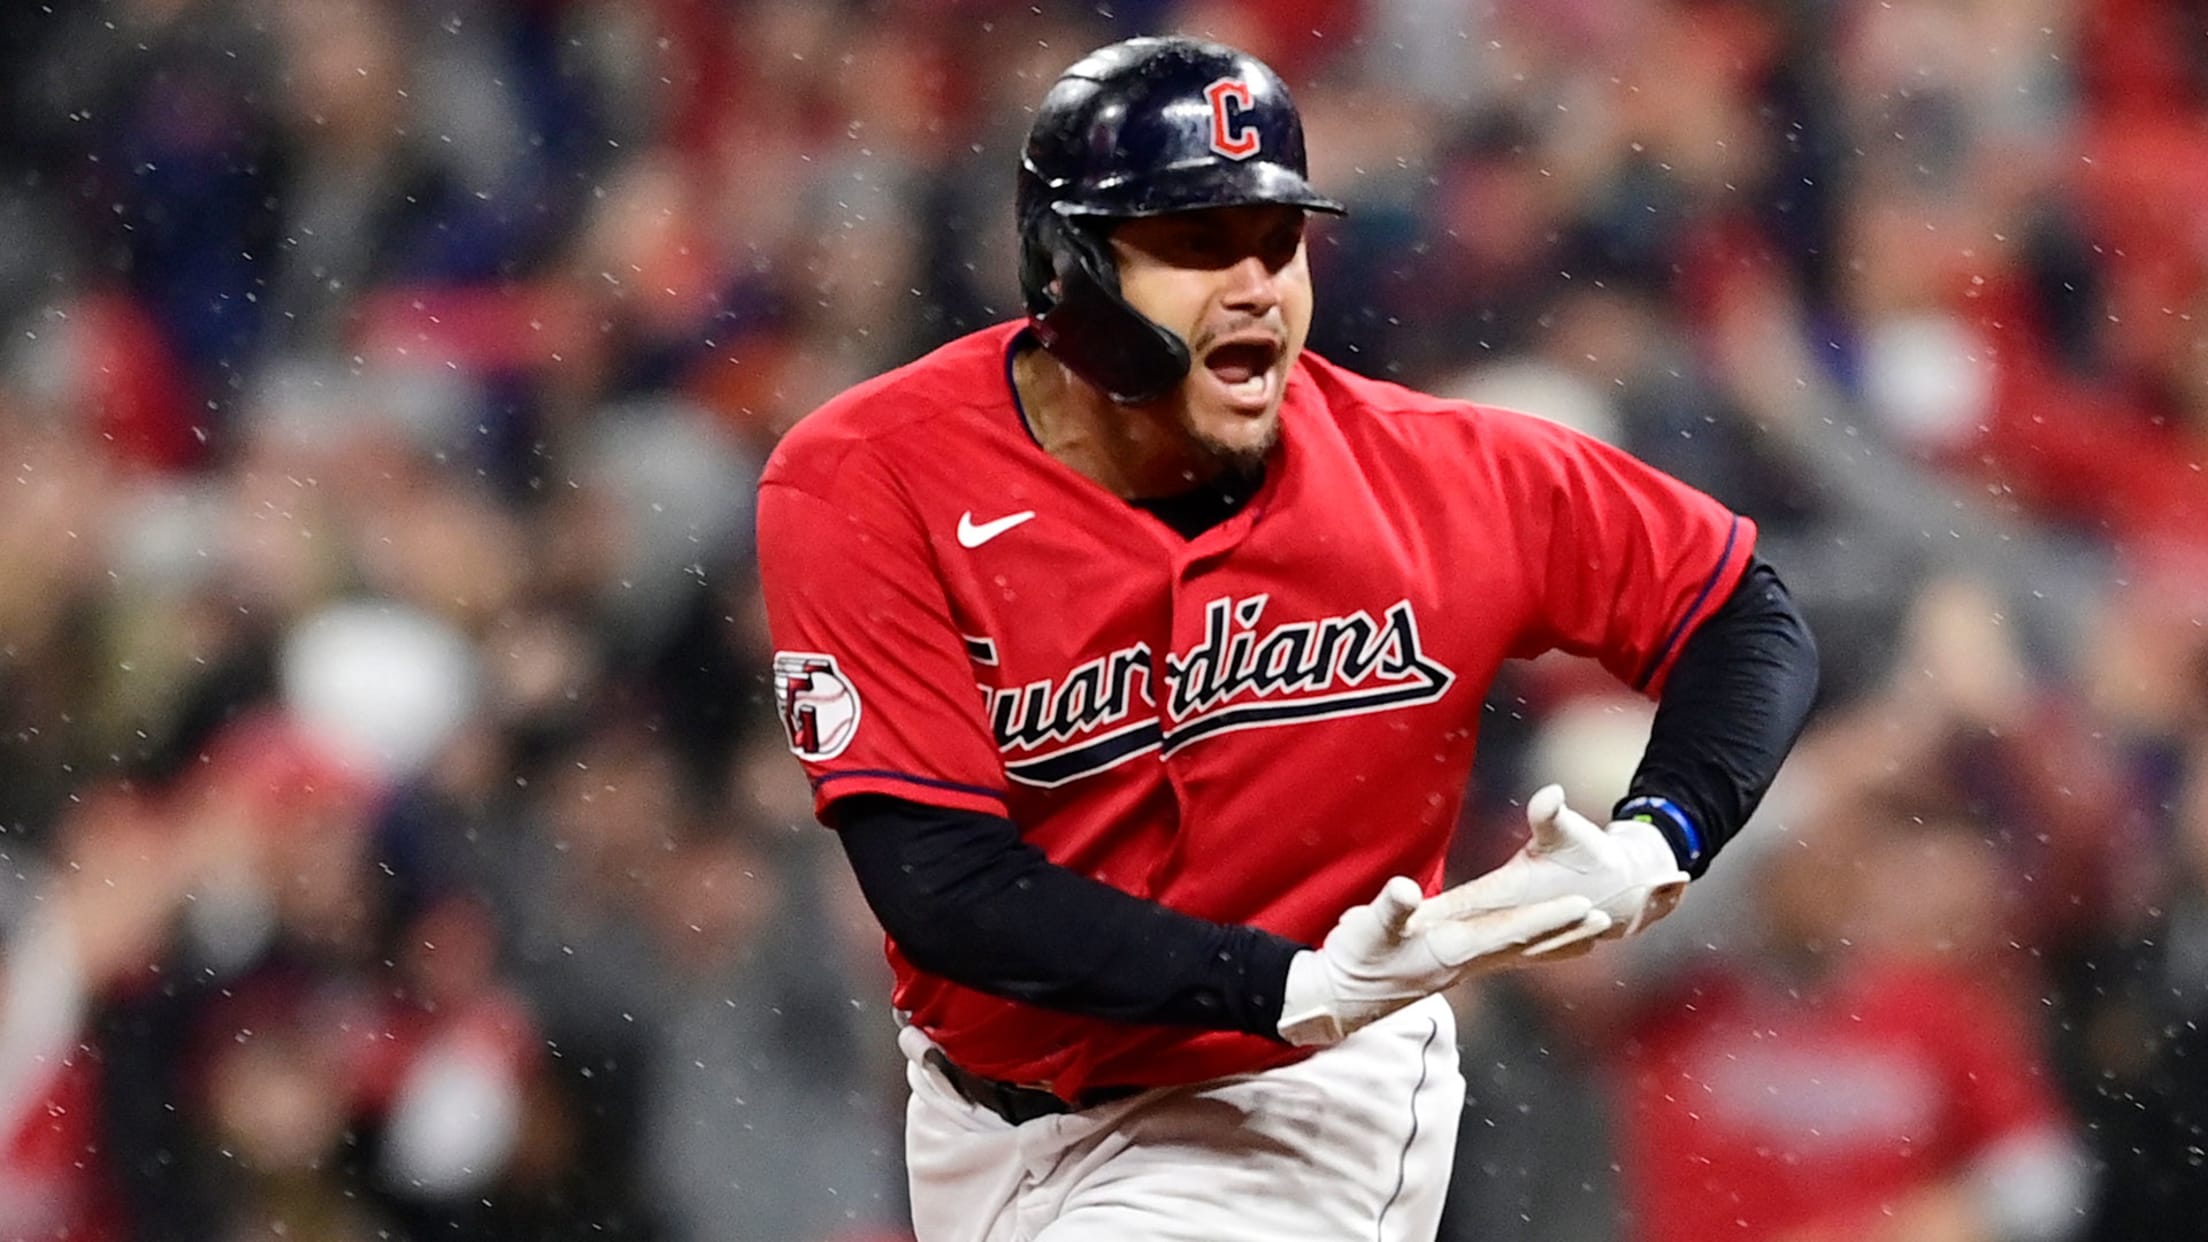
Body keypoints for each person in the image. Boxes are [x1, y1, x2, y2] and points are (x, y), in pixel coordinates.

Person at [756, 35, 1820, 1242]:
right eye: (1198, 244)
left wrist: (1658, 838)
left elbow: (1743, 611)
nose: (1256, 283)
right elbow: (944, 885)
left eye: (1277, 242)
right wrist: (1283, 983)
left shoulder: (1436, 476)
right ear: (1067, 269)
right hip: (971, 1116)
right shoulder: (869, 477)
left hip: (1298, 1103)